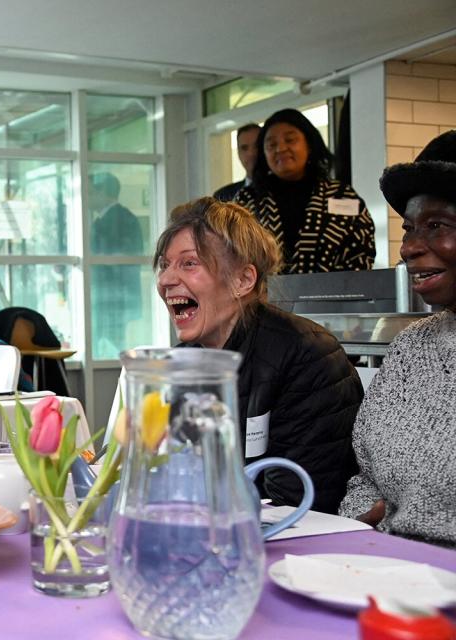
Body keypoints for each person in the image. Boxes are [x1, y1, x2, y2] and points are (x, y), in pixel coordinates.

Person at [154, 197, 362, 513]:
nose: (166, 279)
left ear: (243, 280)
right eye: (165, 264)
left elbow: (298, 501)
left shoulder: (308, 355)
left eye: (189, 263)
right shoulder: (184, 361)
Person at [339, 130, 456, 547]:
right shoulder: (412, 346)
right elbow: (366, 476)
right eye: (409, 229)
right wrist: (359, 526)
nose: (409, 248)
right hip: (390, 576)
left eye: (436, 225)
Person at [235, 108, 375, 274]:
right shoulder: (246, 200)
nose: (280, 148)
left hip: (333, 296)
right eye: (271, 144)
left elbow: (361, 254)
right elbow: (232, 255)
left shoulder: (342, 196)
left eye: (290, 140)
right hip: (264, 298)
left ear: (309, 144)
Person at [89, 172, 143, 356]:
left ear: (102, 191)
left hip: (115, 301)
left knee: (112, 349)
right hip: (109, 300)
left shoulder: (120, 220)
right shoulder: (114, 219)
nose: (86, 198)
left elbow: (120, 263)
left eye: (89, 192)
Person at [214, 123, 260, 202]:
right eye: (244, 148)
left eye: (257, 146)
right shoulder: (222, 196)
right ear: (238, 153)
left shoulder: (284, 189)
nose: (251, 153)